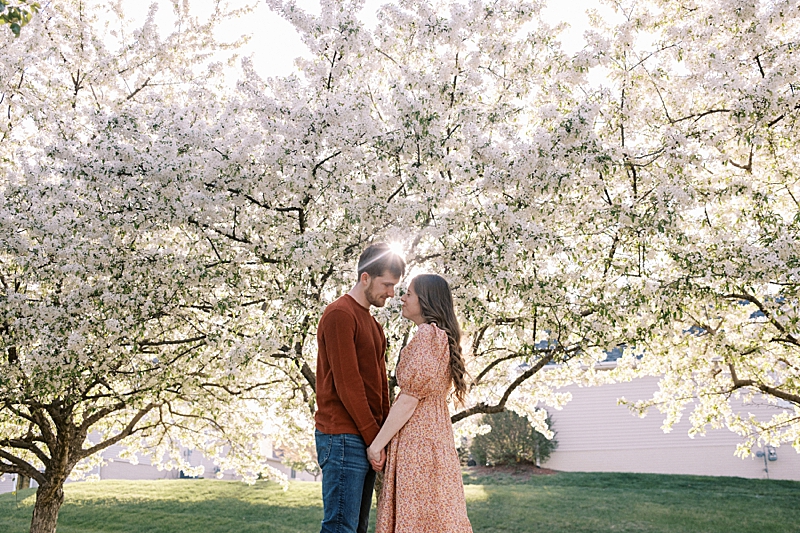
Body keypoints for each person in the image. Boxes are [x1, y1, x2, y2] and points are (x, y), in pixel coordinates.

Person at [367, 274, 473, 533]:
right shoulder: (439, 337)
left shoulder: (427, 336)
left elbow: (409, 399)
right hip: (436, 438)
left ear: (426, 301)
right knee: (435, 515)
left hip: (419, 441)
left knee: (416, 517)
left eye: (409, 294)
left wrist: (376, 444)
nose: (402, 298)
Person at [314, 242, 406, 533]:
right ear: (365, 277)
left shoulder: (372, 323)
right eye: (387, 285)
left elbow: (378, 386)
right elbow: (348, 385)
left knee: (357, 528)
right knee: (340, 528)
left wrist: (380, 439)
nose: (391, 293)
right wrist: (372, 440)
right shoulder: (341, 314)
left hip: (365, 437)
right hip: (342, 436)